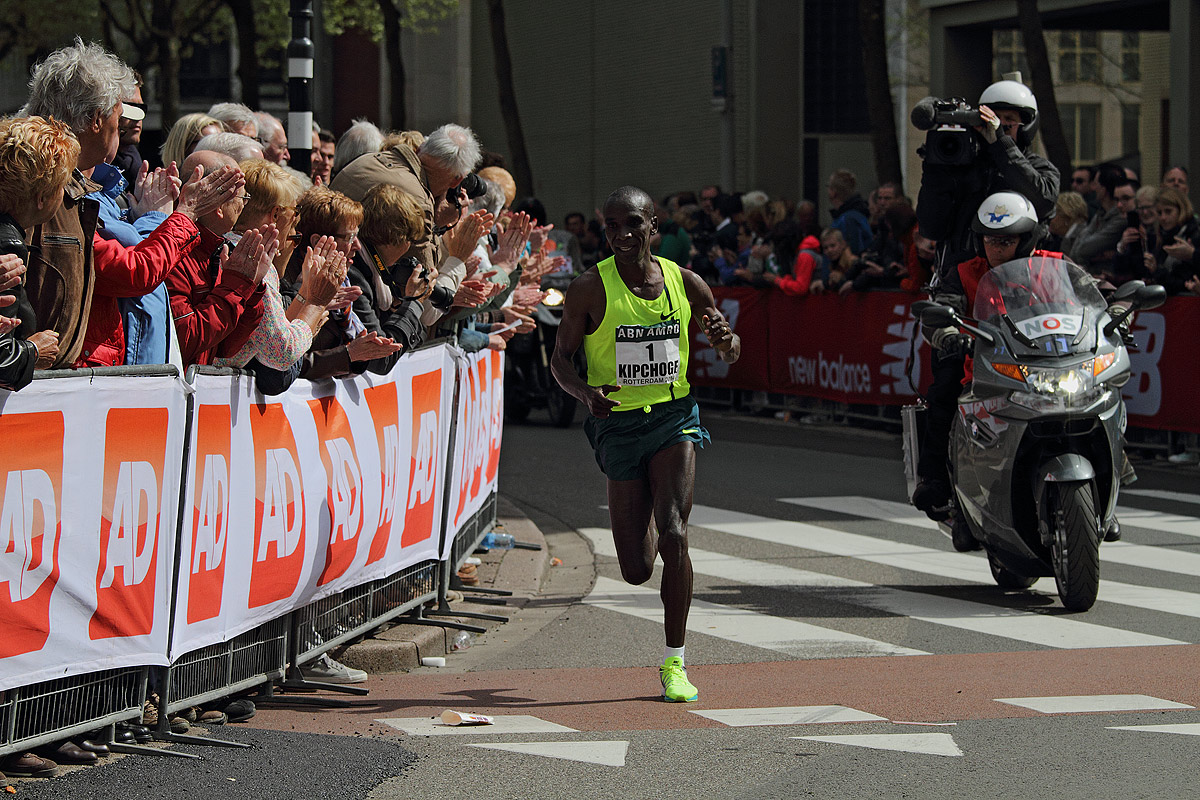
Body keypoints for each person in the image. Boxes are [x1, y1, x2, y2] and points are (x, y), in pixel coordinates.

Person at [550, 185, 740, 703]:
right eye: (611, 226)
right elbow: (559, 360)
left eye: (632, 224)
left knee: (676, 535)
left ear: (653, 225)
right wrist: (586, 393)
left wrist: (726, 342)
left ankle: (675, 663)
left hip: (673, 418)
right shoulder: (590, 288)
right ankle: (658, 509)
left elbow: (730, 348)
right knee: (636, 569)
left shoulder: (686, 283)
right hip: (617, 425)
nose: (621, 235)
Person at [913, 192, 1056, 540]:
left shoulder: (1052, 266)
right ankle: (938, 484)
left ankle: (1114, 475)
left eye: (1006, 241)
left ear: (1027, 240)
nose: (996, 249)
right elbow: (940, 312)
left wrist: (1114, 310)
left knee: (1101, 390)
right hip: (985, 365)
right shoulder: (963, 272)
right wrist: (947, 334)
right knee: (943, 393)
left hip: (1047, 366)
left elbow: (1091, 294)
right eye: (991, 240)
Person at [915, 78, 1060, 270]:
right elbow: (932, 227)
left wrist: (1000, 143)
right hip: (961, 281)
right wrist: (936, 170)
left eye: (1008, 121)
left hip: (1021, 280)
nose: (998, 126)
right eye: (993, 119)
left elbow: (1043, 201)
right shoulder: (964, 167)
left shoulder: (1041, 168)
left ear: (1026, 126)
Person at [0, 116, 71, 391]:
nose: (62, 195)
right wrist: (34, 352)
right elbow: (3, 358)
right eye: (60, 187)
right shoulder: (8, 244)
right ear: (42, 196)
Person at [1069, 163, 1129, 276]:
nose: (1093, 187)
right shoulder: (1099, 214)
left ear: (1104, 188)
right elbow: (1075, 252)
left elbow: (1084, 249)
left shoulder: (1120, 219)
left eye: (1095, 183)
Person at [826, 169, 872, 255]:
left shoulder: (848, 220)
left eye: (828, 187)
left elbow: (853, 252)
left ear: (833, 192)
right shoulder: (855, 216)